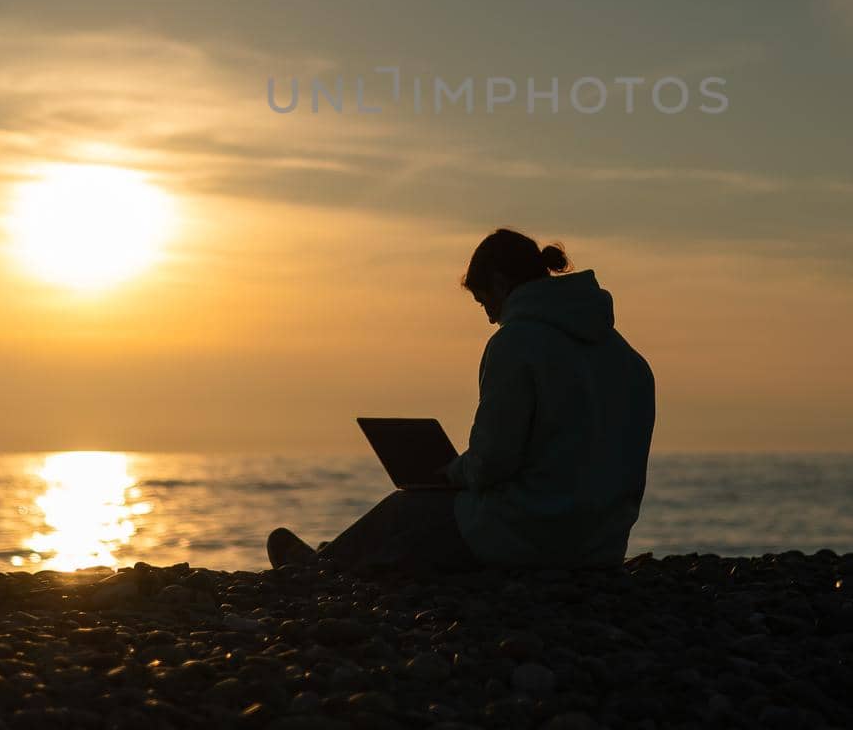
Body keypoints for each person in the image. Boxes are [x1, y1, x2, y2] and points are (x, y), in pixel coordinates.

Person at [266, 228, 656, 572]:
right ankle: (342, 556)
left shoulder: (516, 343)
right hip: (600, 547)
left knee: (406, 510)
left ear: (501, 285)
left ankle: (317, 571)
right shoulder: (628, 359)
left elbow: (495, 461)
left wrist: (454, 472)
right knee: (415, 531)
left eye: (485, 302)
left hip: (532, 536)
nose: (489, 318)